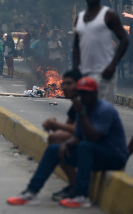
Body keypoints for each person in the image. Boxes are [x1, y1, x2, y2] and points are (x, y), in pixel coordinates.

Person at [7, 77, 129, 208]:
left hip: (113, 155)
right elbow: (78, 136)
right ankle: (31, 192)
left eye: (87, 93)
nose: (84, 96)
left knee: (84, 146)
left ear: (94, 94)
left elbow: (94, 137)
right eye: (81, 93)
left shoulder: (105, 110)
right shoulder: (83, 107)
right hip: (93, 153)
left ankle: (82, 195)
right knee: (54, 149)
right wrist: (66, 144)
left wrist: (81, 114)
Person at [73, 0, 129, 103]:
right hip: (86, 73)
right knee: (86, 111)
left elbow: (124, 40)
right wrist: (75, 68)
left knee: (103, 112)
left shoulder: (109, 15)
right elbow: (76, 45)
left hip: (104, 74)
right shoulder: (80, 18)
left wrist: (113, 65)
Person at [42, 69, 83, 201]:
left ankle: (76, 186)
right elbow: (69, 128)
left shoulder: (84, 101)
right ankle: (74, 185)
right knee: (56, 138)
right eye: (63, 84)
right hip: (84, 139)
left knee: (57, 141)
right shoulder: (76, 103)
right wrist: (54, 127)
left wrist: (56, 125)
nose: (64, 87)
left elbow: (78, 130)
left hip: (96, 143)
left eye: (68, 84)